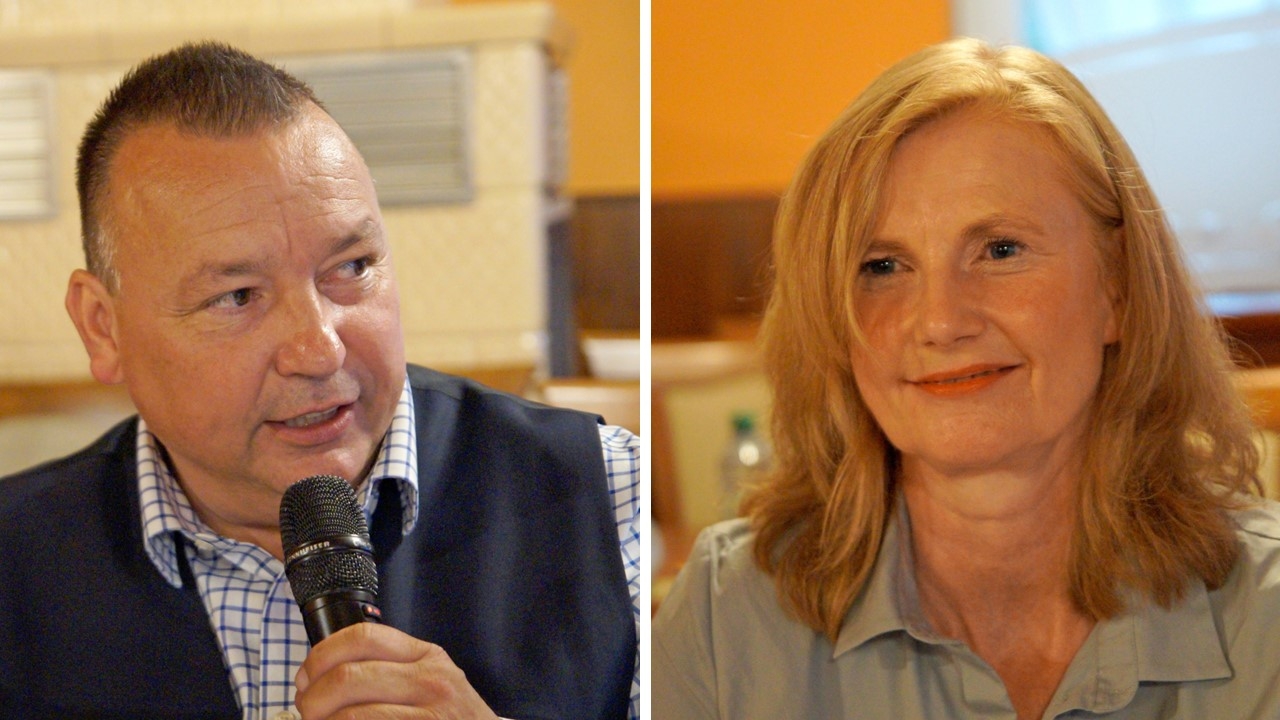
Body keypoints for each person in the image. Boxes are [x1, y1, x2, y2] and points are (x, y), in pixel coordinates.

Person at [0, 42, 639, 720]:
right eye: (239, 296)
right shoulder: (16, 567)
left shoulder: (607, 495)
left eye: (352, 267)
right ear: (103, 328)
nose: (318, 349)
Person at [653, 37, 1280, 719]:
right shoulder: (725, 618)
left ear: (1120, 287)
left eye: (1001, 250)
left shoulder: (1266, 617)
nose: (941, 321)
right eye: (883, 266)